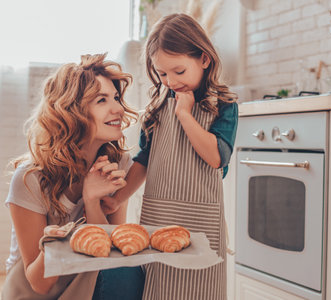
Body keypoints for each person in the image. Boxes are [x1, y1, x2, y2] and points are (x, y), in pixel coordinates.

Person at [102, 13, 239, 300]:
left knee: (201, 290)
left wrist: (185, 115)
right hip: (159, 216)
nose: (171, 81)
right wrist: (118, 197)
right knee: (159, 288)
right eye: (162, 74)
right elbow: (144, 160)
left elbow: (217, 157)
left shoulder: (223, 105)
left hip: (201, 223)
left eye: (178, 71)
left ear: (204, 58)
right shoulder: (156, 109)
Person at [2, 54, 145, 300]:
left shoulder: (116, 163)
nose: (119, 109)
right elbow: (39, 284)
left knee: (124, 268)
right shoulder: (30, 178)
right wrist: (54, 245)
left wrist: (92, 201)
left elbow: (110, 252)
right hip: (34, 289)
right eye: (102, 100)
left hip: (85, 276)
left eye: (116, 98)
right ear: (73, 112)